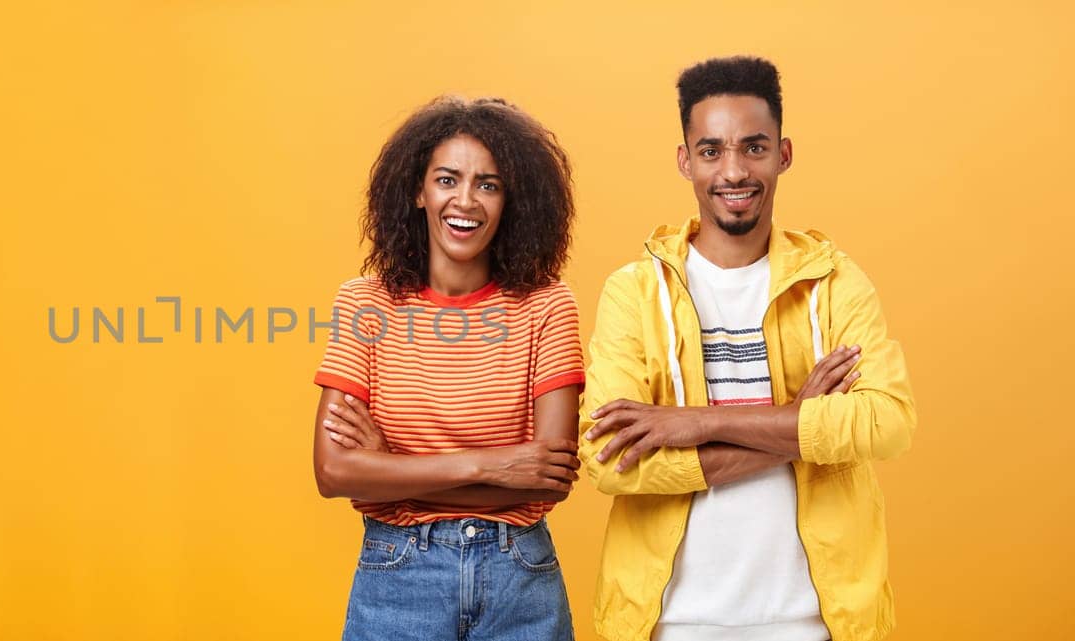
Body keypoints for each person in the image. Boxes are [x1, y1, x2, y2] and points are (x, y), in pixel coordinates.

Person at [577, 56, 918, 641]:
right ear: (685, 160)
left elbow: (887, 423)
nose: (733, 171)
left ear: (783, 154)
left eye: (753, 147)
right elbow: (610, 460)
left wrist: (693, 422)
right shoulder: (633, 291)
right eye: (711, 150)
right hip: (671, 622)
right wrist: (797, 425)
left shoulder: (834, 281)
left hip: (815, 621)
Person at [313, 95, 583, 641]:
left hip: (520, 580)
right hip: (397, 576)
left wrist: (391, 468)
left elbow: (548, 478)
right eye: (447, 180)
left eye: (489, 184)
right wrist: (489, 467)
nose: (466, 200)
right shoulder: (365, 305)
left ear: (512, 200)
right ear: (418, 190)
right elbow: (332, 472)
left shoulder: (548, 306)